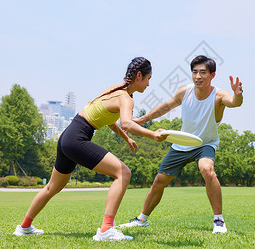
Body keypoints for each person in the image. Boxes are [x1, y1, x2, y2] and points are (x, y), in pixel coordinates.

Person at [13, 57, 167, 241]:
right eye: (149, 78)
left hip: (67, 137)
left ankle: (24, 227)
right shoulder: (125, 98)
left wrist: (126, 138)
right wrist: (153, 135)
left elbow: (109, 119)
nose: (149, 84)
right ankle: (106, 230)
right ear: (139, 75)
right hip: (77, 138)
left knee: (52, 187)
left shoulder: (115, 90)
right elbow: (126, 122)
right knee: (123, 173)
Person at [118, 55, 243, 233]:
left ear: (212, 75)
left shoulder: (219, 95)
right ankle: (142, 219)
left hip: (205, 143)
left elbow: (234, 103)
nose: (198, 76)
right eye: (194, 72)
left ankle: (219, 221)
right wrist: (143, 120)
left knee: (207, 169)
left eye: (203, 72)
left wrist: (238, 95)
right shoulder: (185, 92)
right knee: (159, 180)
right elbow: (165, 106)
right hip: (183, 142)